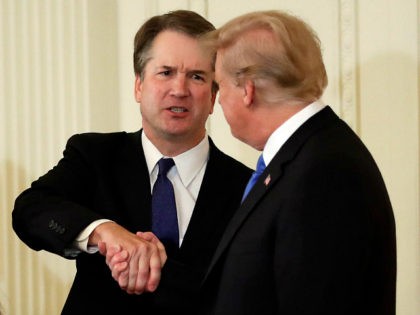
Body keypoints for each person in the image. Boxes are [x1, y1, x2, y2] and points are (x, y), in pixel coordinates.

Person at [12, 10, 252, 315]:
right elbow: (30, 210)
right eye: (165, 72)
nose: (179, 89)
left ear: (213, 96)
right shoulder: (95, 155)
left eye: (197, 76)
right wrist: (105, 232)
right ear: (139, 85)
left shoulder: (247, 187)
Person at [199, 10, 397, 315]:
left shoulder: (325, 172)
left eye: (219, 86)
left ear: (247, 90)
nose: (219, 100)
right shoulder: (306, 156)